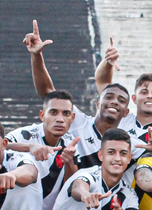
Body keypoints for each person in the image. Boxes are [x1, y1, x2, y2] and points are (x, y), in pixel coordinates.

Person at [25, 21, 133, 167]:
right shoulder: (78, 122)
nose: (114, 102)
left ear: (126, 112)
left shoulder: (129, 141)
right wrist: (36, 55)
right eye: (109, 97)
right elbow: (48, 92)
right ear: (98, 103)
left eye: (121, 100)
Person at [4, 89, 82, 210]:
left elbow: (70, 186)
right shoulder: (24, 135)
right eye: (53, 112)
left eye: (66, 113)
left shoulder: (71, 143)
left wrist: (69, 162)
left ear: (72, 118)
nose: (60, 119)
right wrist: (29, 147)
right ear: (42, 115)